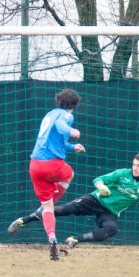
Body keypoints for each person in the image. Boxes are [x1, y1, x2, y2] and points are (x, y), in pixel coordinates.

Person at [8, 153, 139, 247]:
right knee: (62, 210)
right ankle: (24, 220)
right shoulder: (123, 173)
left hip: (109, 212)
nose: (135, 168)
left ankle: (74, 239)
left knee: (111, 230)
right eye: (134, 164)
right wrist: (102, 187)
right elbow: (98, 179)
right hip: (94, 200)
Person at [27, 88, 85, 261]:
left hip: (35, 166)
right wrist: (71, 131)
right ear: (73, 105)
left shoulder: (49, 115)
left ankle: (52, 238)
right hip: (52, 165)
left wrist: (73, 147)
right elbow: (62, 127)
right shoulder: (66, 115)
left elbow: (54, 141)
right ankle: (49, 204)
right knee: (69, 174)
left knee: (47, 208)